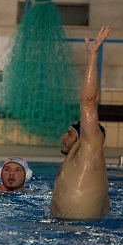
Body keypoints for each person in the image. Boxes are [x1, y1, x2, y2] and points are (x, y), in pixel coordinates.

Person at [50, 25, 111, 219]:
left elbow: (89, 102)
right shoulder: (78, 163)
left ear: (82, 134)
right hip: (61, 230)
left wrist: (92, 57)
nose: (62, 137)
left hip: (79, 234)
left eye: (68, 133)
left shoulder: (90, 148)